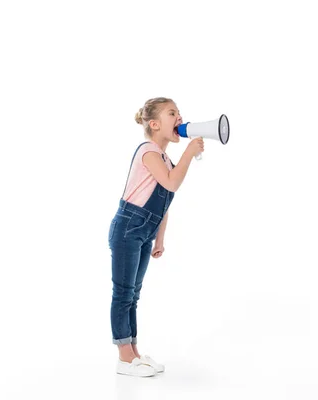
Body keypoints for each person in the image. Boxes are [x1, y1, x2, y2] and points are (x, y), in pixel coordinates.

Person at [108, 97, 204, 377]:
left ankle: (134, 352)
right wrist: (189, 153)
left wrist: (159, 238)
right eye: (172, 113)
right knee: (123, 293)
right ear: (154, 124)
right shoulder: (148, 151)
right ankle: (124, 358)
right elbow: (172, 182)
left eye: (178, 112)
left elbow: (164, 202)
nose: (179, 117)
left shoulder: (165, 159)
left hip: (144, 232)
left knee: (133, 295)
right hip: (128, 228)